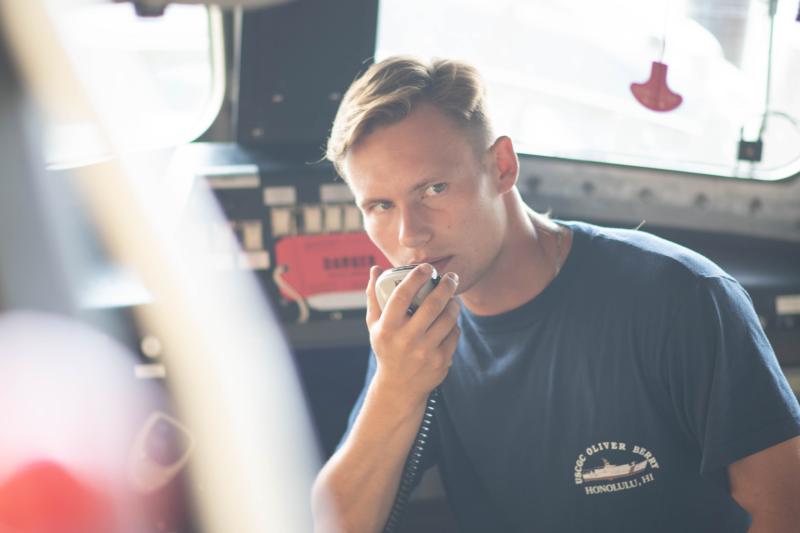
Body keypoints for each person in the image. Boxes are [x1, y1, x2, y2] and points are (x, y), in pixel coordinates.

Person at [310, 56, 800, 533]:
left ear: (502, 167)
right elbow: (338, 524)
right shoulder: (416, 334)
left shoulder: (681, 295)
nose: (410, 234)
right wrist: (396, 386)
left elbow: (784, 509)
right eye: (379, 205)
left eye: (434, 189)